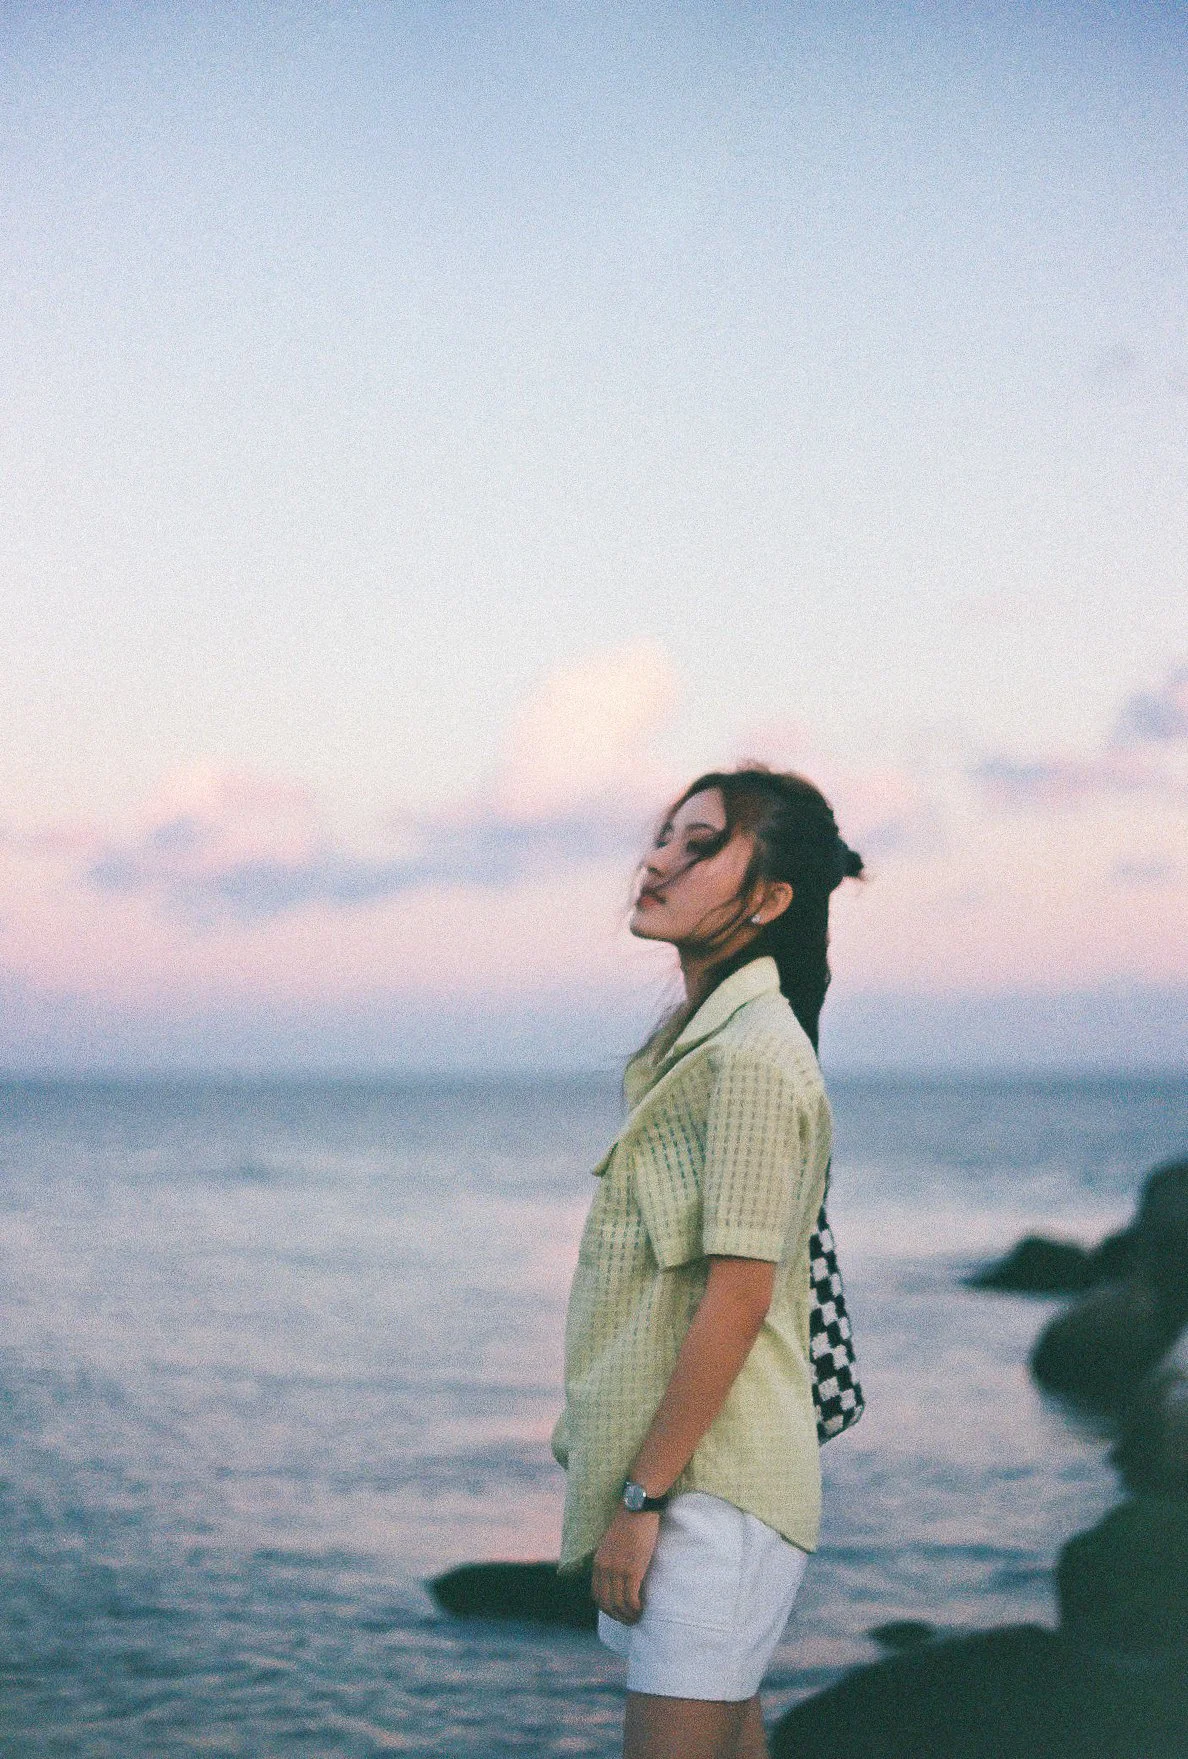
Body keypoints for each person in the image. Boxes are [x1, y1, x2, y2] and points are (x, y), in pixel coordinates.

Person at [552, 765, 864, 1759]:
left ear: (770, 899)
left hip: (710, 1496)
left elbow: (737, 1296)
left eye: (700, 844)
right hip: (702, 1483)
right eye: (664, 836)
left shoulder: (753, 1057)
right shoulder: (702, 1044)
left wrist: (641, 1503)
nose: (656, 860)